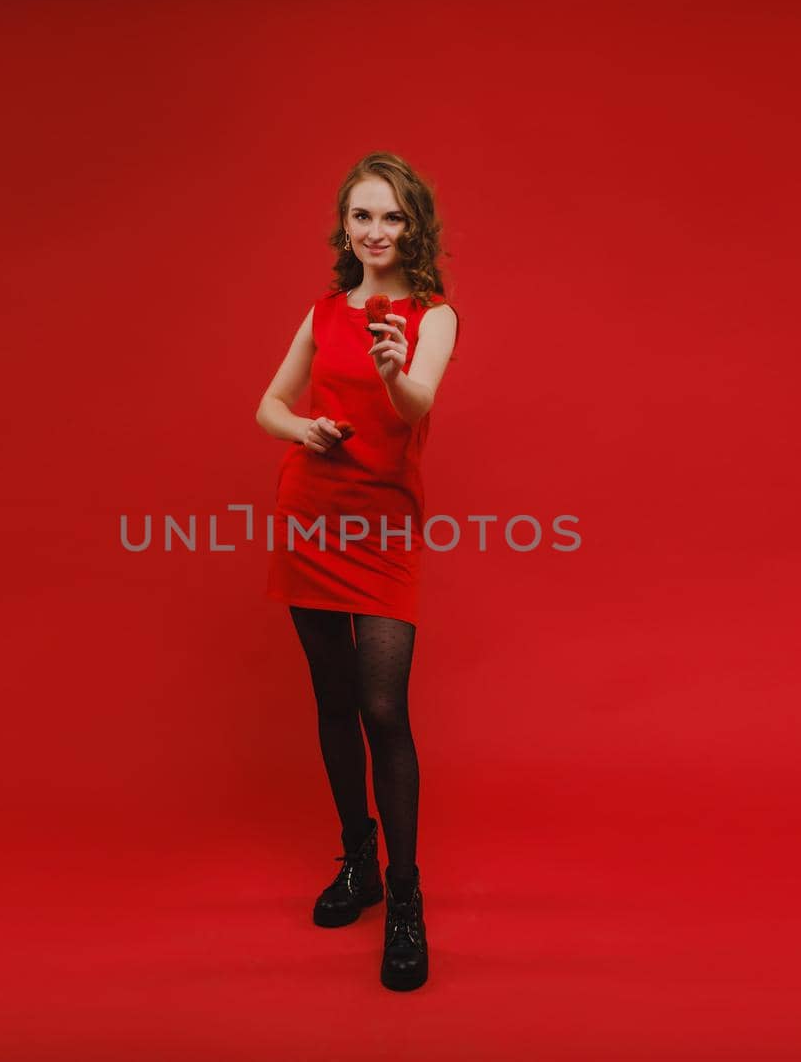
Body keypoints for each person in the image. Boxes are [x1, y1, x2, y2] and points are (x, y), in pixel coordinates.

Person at [254, 152, 460, 991]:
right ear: (345, 227)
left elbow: (416, 404)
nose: (375, 231)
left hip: (383, 529)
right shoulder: (322, 309)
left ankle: (406, 898)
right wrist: (300, 430)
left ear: (415, 229)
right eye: (362, 216)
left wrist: (389, 369)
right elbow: (267, 404)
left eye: (392, 217)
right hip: (310, 515)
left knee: (383, 706)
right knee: (333, 700)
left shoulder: (434, 315)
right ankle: (359, 862)